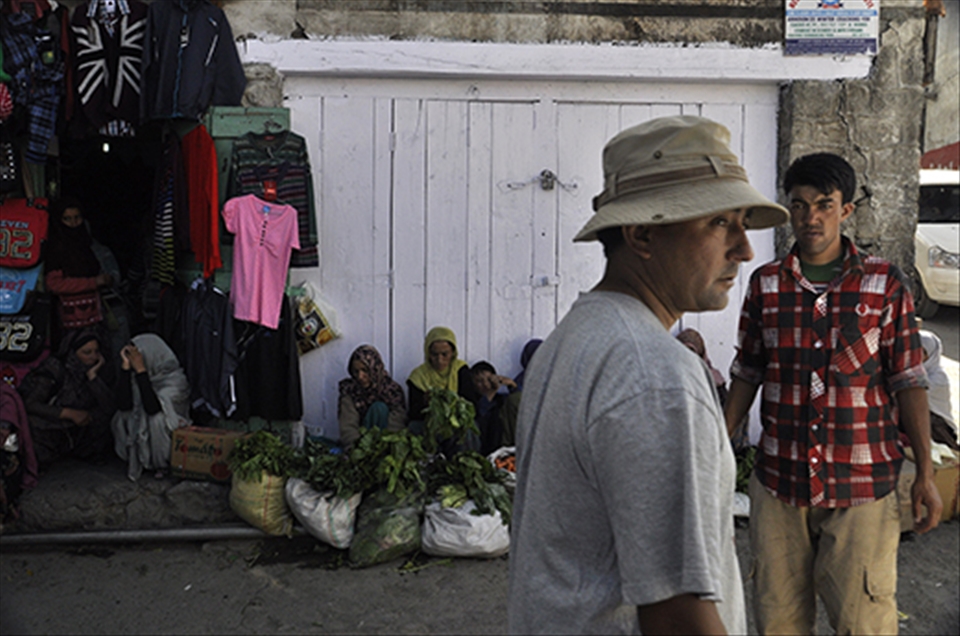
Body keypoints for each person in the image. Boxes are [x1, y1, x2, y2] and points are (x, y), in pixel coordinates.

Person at [508, 115, 788, 635]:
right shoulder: (654, 374)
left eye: (742, 221)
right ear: (641, 234)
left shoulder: (577, 335)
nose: (745, 249)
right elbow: (678, 613)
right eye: (718, 222)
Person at [724, 152, 942, 635]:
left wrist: (925, 472)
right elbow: (748, 370)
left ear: (846, 210)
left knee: (863, 621)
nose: (811, 218)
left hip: (862, 486)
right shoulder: (766, 285)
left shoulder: (883, 284)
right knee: (778, 619)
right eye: (799, 206)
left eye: (824, 204)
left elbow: (908, 379)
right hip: (780, 483)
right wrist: (719, 449)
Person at [17, 329, 116, 470]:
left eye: (96, 352)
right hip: (54, 423)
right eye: (86, 353)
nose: (93, 357)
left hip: (78, 428)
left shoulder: (98, 368)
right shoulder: (54, 369)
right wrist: (68, 413)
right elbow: (31, 404)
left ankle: (86, 452)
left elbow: (109, 405)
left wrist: (92, 377)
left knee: (103, 415)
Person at [112, 334, 191, 481]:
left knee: (157, 420)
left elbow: (152, 408)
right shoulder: (136, 378)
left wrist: (142, 370)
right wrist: (125, 368)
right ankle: (136, 459)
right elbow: (123, 404)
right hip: (145, 416)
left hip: (169, 428)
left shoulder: (175, 380)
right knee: (121, 416)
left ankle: (162, 464)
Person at [44, 198, 114, 344]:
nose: (74, 223)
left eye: (77, 218)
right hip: (70, 322)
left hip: (95, 317)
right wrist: (93, 282)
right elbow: (54, 284)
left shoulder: (88, 246)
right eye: (67, 219)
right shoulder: (56, 249)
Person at [338, 345, 407, 450]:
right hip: (361, 443)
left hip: (385, 442)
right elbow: (348, 425)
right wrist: (356, 448)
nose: (360, 376)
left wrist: (387, 446)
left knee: (379, 408)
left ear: (375, 369)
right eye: (356, 371)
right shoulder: (350, 391)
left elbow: (397, 424)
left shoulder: (391, 391)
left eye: (365, 370)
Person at [406, 326, 479, 423]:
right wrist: (425, 402)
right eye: (434, 354)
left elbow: (470, 405)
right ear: (428, 353)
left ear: (453, 353)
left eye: (445, 354)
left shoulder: (460, 370)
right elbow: (414, 414)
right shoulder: (418, 376)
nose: (439, 360)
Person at [919, 329, 959, 451]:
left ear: (930, 355)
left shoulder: (938, 379)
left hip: (938, 428)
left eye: (921, 351)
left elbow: (913, 394)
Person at [470, 360, 518, 455]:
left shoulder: (500, 398)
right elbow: (481, 414)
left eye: (489, 380)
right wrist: (491, 391)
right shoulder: (471, 400)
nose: (485, 384)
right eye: (479, 381)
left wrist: (512, 385)